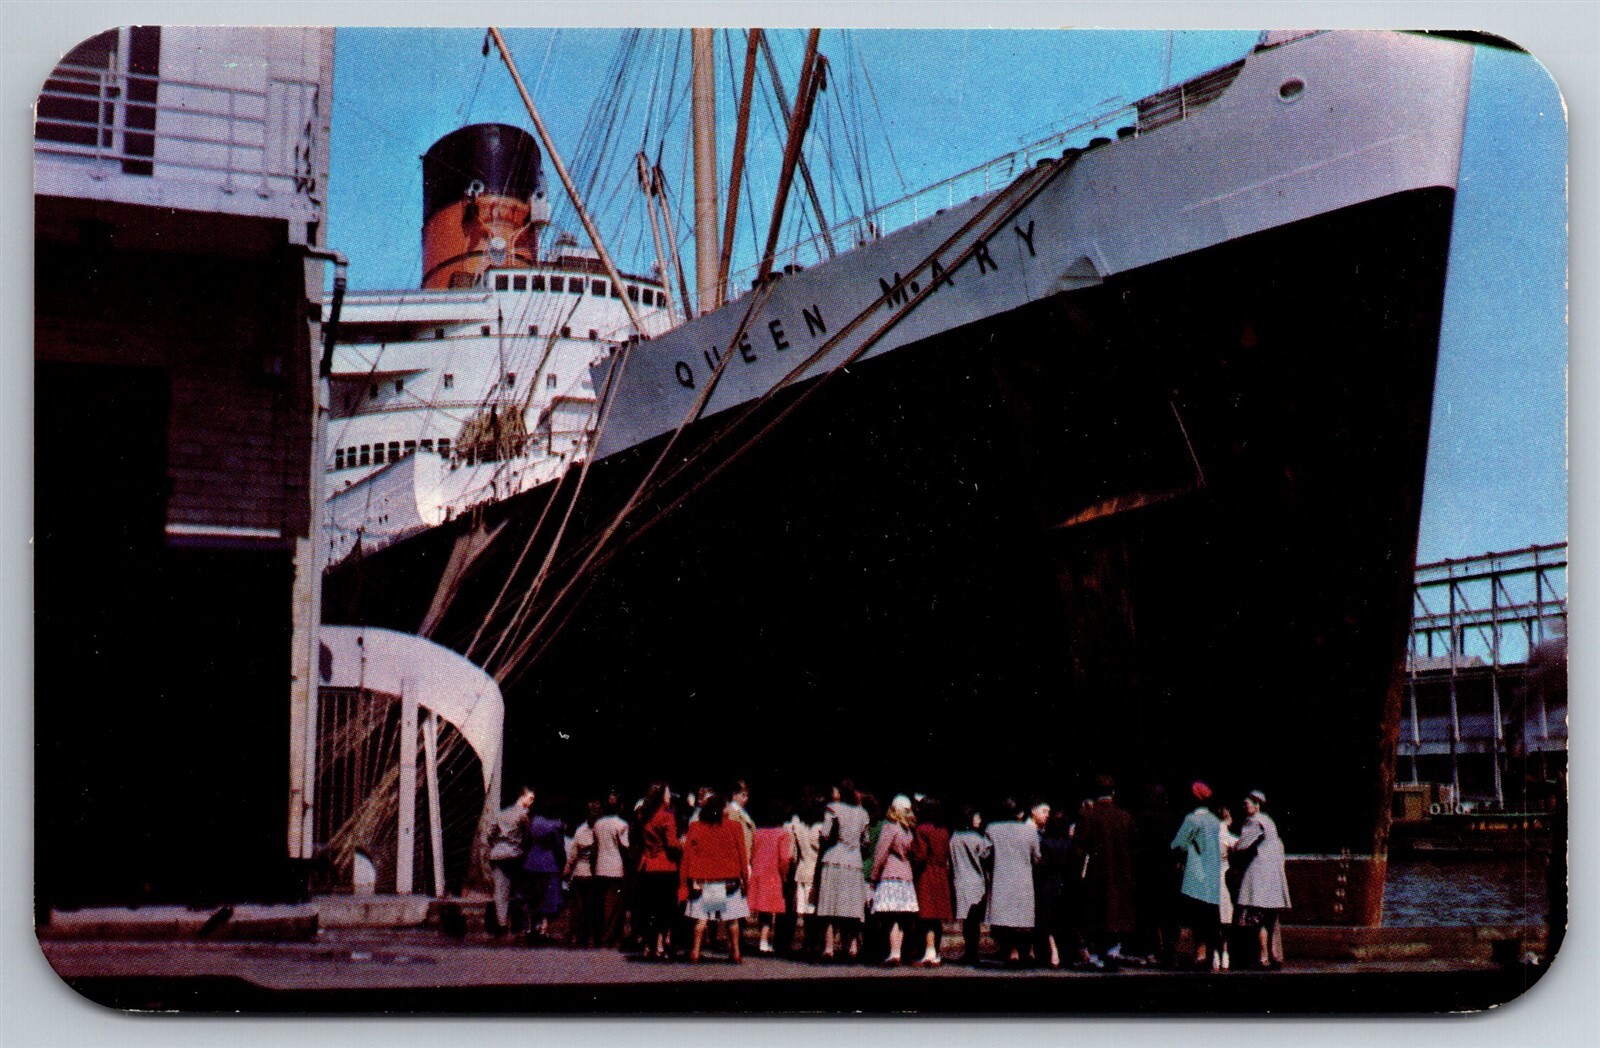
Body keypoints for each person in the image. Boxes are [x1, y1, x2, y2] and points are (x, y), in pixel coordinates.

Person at [1074, 774, 1138, 965]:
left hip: (1096, 873)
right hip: (1121, 873)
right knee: (1116, 913)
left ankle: (1098, 953)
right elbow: (1135, 843)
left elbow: (1079, 845)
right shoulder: (1125, 816)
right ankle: (1113, 950)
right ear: (1113, 792)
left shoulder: (1088, 815)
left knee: (1097, 913)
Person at [680, 791, 750, 963]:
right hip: (729, 879)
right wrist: (745, 878)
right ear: (723, 809)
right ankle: (736, 952)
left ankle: (695, 952)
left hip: (704, 880)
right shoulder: (735, 827)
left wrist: (684, 881)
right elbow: (742, 854)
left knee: (701, 920)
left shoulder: (695, 827)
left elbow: (687, 856)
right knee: (732, 920)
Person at [1231, 790, 1291, 968]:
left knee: (1258, 918)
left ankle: (1263, 956)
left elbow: (1242, 845)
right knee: (1270, 919)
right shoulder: (1269, 821)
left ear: (1256, 805)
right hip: (1273, 876)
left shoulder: (1254, 822)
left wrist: (1232, 846)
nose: (1244, 807)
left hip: (1259, 876)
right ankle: (1274, 955)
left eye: (1247, 803)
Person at [814, 780, 871, 961]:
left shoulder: (832, 809)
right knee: (852, 906)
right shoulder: (863, 813)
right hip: (854, 862)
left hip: (834, 859)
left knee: (830, 905)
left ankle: (829, 948)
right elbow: (866, 841)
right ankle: (852, 947)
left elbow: (825, 834)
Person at [1170, 781, 1224, 969]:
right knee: (1209, 917)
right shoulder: (1215, 821)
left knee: (1193, 917)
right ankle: (1207, 953)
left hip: (1195, 876)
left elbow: (1178, 844)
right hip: (1212, 876)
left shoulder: (1192, 820)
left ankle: (1195, 953)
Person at [986, 799, 1043, 965]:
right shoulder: (1030, 831)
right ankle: (1024, 950)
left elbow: (985, 853)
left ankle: (1011, 950)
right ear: (1020, 813)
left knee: (1004, 916)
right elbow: (1037, 857)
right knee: (1021, 916)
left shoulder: (992, 829)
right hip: (1023, 878)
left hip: (1001, 877)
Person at [870, 795, 920, 965]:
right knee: (901, 918)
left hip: (890, 874)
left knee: (890, 917)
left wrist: (874, 875)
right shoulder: (908, 830)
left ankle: (894, 952)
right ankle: (896, 951)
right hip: (906, 876)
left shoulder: (890, 827)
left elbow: (881, 853)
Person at [634, 782, 681, 959]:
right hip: (665, 866)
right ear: (662, 797)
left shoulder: (644, 815)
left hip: (647, 865)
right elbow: (672, 843)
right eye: (668, 793)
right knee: (665, 908)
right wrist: (683, 844)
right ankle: (661, 945)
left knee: (649, 907)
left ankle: (648, 944)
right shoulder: (667, 816)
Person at [909, 795, 953, 966]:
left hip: (927, 873)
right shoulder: (944, 830)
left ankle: (929, 952)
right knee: (937, 916)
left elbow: (920, 855)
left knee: (927, 914)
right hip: (941, 872)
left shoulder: (922, 829)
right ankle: (935, 952)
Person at [486, 786, 534, 938]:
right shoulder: (523, 815)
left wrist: (497, 845)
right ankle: (519, 925)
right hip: (515, 855)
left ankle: (502, 924)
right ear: (522, 796)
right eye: (530, 798)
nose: (532, 801)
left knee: (500, 891)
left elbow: (490, 833)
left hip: (498, 854)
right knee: (519, 890)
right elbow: (527, 836)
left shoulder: (501, 814)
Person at [1034, 807, 1079, 968]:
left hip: (1048, 884)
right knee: (1065, 920)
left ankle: (1053, 952)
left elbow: (1042, 865)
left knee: (1048, 922)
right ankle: (1067, 954)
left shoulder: (1045, 843)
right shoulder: (1071, 844)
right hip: (1067, 884)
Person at [747, 801, 794, 955]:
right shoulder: (783, 834)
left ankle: (763, 940)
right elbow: (784, 859)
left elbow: (752, 853)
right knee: (770, 910)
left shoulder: (757, 832)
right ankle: (764, 941)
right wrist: (785, 876)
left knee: (762, 910)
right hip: (773, 874)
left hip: (758, 873)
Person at [949, 804, 992, 965]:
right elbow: (986, 855)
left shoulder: (954, 837)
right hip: (976, 883)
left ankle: (969, 951)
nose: (979, 820)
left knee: (966, 922)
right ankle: (973, 953)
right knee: (974, 922)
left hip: (960, 882)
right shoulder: (976, 838)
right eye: (976, 816)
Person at [522, 795, 567, 943]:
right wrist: (563, 861)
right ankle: (543, 929)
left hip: (532, 860)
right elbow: (558, 846)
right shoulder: (556, 825)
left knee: (533, 896)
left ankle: (530, 928)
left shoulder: (535, 821)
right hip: (548, 862)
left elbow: (527, 840)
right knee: (549, 898)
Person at [784, 790, 824, 956]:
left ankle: (807, 942)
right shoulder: (819, 828)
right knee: (813, 910)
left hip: (801, 869)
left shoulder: (799, 827)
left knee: (805, 911)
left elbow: (793, 852)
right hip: (814, 871)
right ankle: (813, 943)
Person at [591, 793, 631, 948]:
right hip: (615, 868)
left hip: (600, 867)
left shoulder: (598, 824)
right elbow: (625, 847)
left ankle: (600, 934)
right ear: (620, 807)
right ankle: (608, 936)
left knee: (601, 904)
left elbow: (595, 846)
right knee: (613, 906)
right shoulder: (622, 825)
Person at [563, 799, 602, 946]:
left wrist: (568, 869)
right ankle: (590, 934)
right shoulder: (601, 830)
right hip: (594, 873)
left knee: (579, 907)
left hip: (580, 872)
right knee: (592, 907)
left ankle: (578, 934)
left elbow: (574, 855)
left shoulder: (580, 831)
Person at [1215, 805, 1238, 970]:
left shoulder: (1211, 834)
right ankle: (1224, 952)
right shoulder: (1225, 834)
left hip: (1212, 879)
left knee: (1215, 919)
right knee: (1225, 919)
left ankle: (1216, 953)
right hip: (1223, 879)